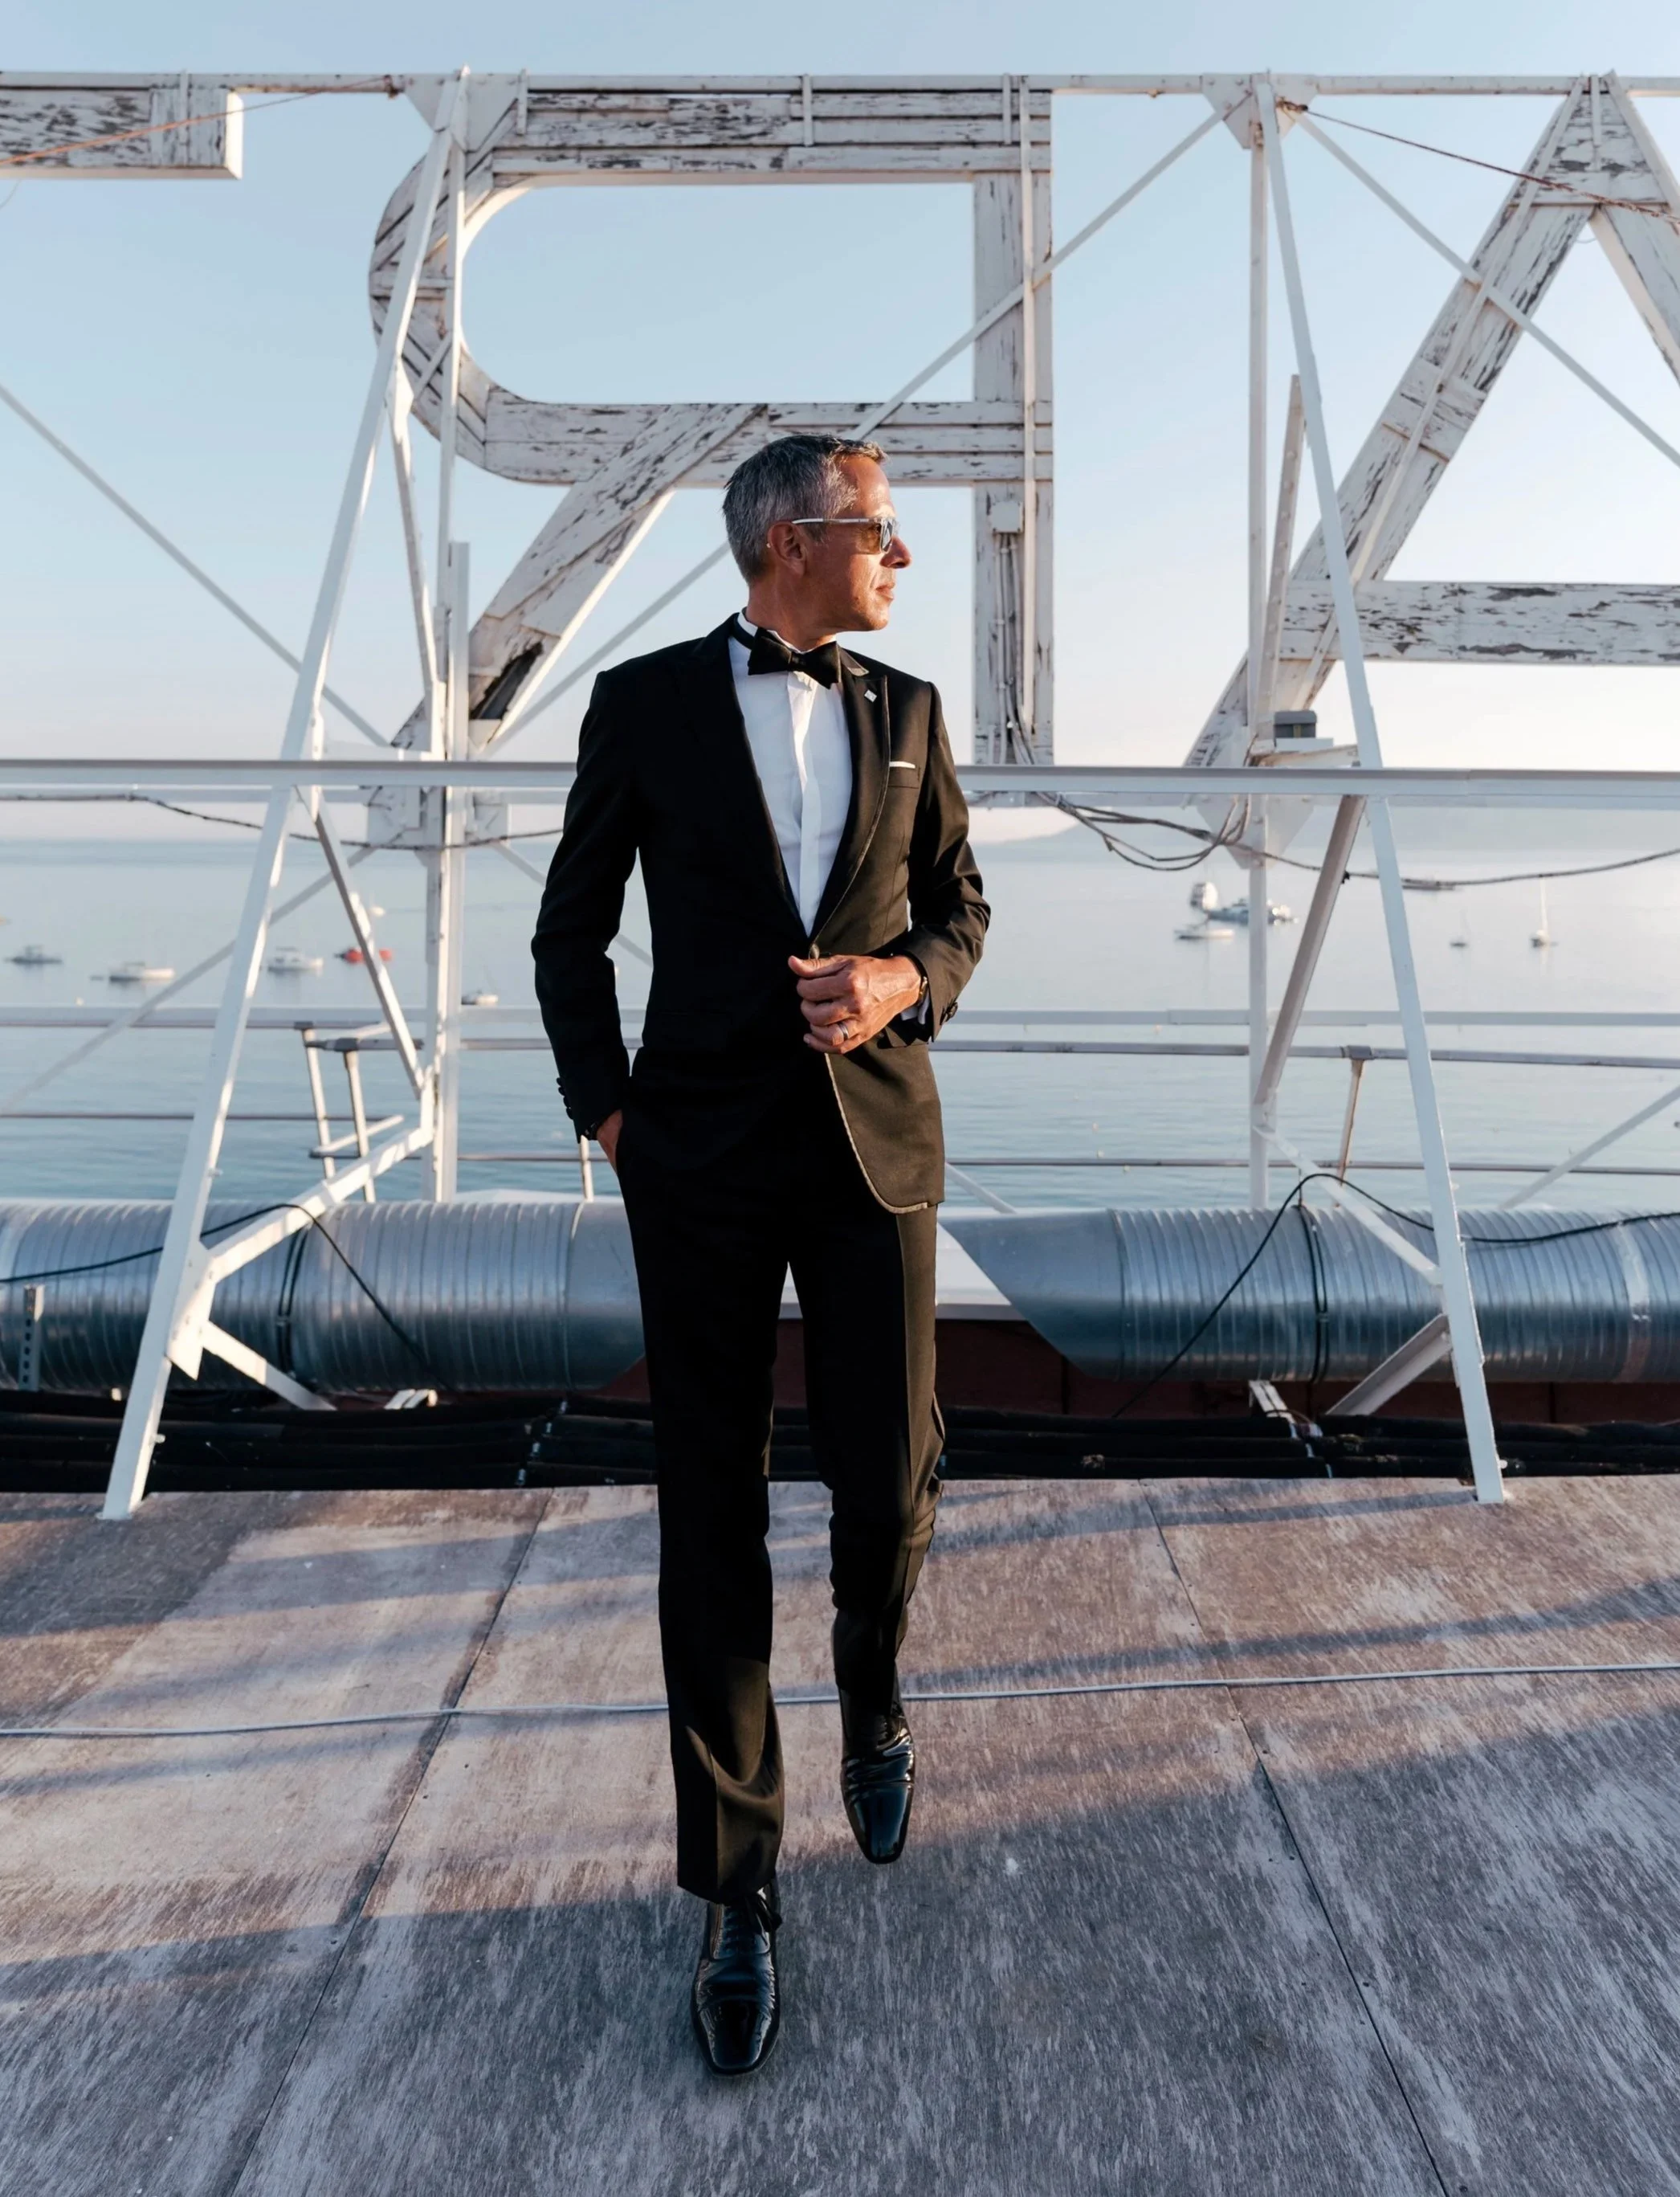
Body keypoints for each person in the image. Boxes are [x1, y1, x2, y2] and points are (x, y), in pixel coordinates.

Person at [532, 432, 989, 2078]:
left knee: (887, 1477)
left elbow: (959, 906)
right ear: (793, 540)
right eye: (879, 531)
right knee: (708, 1513)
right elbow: (567, 927)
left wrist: (898, 986)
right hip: (698, 1165)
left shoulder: (910, 712)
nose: (900, 558)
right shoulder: (643, 704)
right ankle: (737, 1889)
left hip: (875, 1150)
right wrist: (609, 1116)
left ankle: (872, 1685)